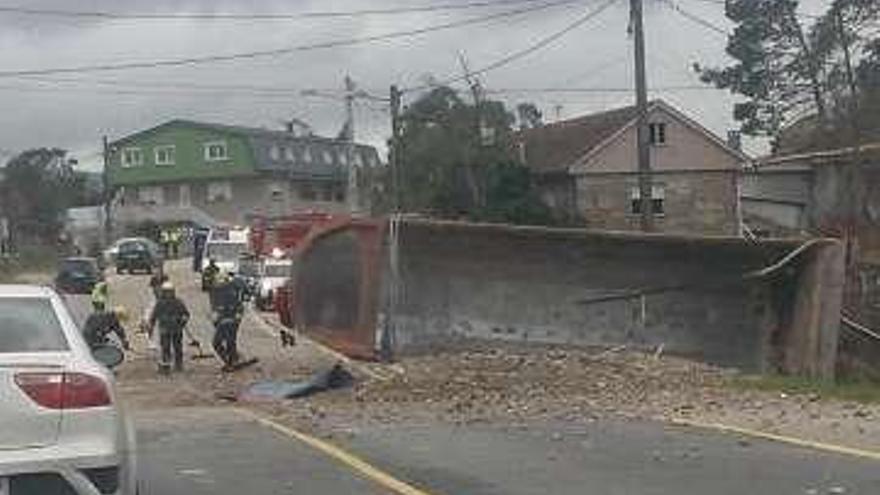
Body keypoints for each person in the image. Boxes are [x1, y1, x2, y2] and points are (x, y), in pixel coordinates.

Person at [148, 281, 190, 374]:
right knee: (165, 347)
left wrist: (183, 320)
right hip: (165, 329)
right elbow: (153, 317)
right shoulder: (160, 303)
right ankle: (166, 364)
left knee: (178, 347)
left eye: (170, 292)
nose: (168, 294)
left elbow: (186, 314)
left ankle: (179, 364)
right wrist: (150, 327)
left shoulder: (178, 302)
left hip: (177, 329)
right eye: (166, 292)